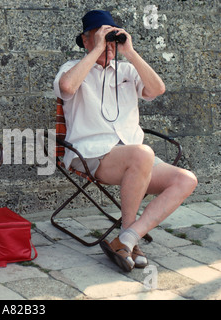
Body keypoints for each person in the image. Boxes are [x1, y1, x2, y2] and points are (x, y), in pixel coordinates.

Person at [53, 10, 198, 272]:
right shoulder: (71, 69)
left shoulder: (128, 70)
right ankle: (128, 239)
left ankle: (127, 238)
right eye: (101, 37)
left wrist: (129, 52)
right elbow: (67, 88)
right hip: (91, 155)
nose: (109, 44)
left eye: (112, 38)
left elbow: (157, 90)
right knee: (142, 153)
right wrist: (96, 49)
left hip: (136, 158)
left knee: (186, 179)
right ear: (85, 40)